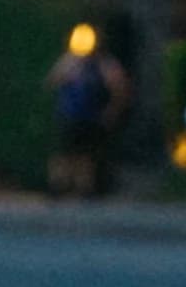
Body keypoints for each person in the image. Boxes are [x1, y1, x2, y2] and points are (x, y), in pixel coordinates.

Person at [46, 24, 131, 200]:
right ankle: (60, 186)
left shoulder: (104, 64)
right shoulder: (69, 62)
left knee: (87, 155)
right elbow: (53, 81)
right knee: (65, 153)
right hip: (70, 115)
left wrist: (110, 112)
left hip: (91, 116)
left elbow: (119, 88)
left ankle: (84, 189)